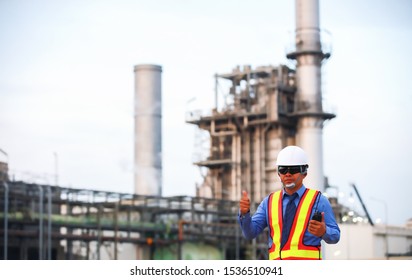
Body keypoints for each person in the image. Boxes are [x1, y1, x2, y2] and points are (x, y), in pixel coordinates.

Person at [238, 145, 340, 260]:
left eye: (293, 170)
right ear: (278, 173)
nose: (287, 174)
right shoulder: (269, 202)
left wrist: (324, 231)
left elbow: (335, 236)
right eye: (283, 169)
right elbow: (250, 233)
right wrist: (244, 214)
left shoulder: (319, 200)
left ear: (304, 172)